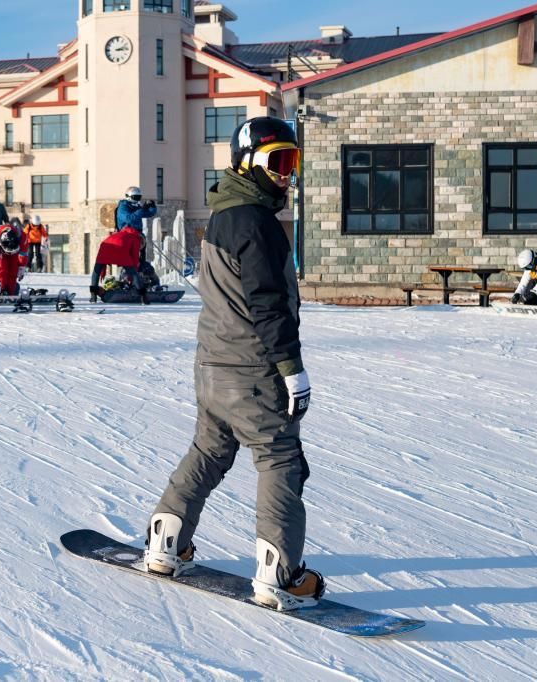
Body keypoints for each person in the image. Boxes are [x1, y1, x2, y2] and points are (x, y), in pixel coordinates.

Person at [142, 116, 323, 611]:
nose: (288, 173)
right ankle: (278, 573)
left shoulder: (224, 212)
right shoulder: (258, 222)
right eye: (278, 162)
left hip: (212, 365)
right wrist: (291, 367)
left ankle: (165, 542)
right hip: (251, 368)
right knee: (280, 456)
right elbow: (267, 302)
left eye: (294, 161)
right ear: (248, 163)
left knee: (210, 448)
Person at [89, 226, 149, 304]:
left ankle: (93, 297)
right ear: (142, 241)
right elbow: (134, 259)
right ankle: (143, 297)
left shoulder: (121, 233)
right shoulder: (136, 238)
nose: (140, 248)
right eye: (141, 246)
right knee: (133, 273)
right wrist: (133, 274)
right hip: (120, 247)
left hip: (105, 245)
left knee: (97, 271)